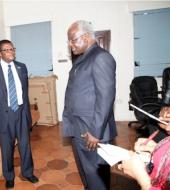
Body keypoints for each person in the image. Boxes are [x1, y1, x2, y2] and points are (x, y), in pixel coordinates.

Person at [62, 20, 117, 190]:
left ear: (85, 37)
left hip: (91, 130)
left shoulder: (101, 57)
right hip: (79, 127)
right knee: (87, 174)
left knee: (96, 177)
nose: (70, 44)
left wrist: (95, 132)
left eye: (73, 40)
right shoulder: (84, 57)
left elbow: (106, 97)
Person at [0, 39, 38, 189]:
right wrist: (1, 112)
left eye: (12, 49)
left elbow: (24, 92)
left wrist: (25, 111)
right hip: (5, 115)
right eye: (6, 50)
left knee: (25, 145)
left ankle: (28, 172)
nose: (11, 52)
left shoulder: (22, 67)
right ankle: (9, 176)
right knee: (6, 148)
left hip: (21, 112)